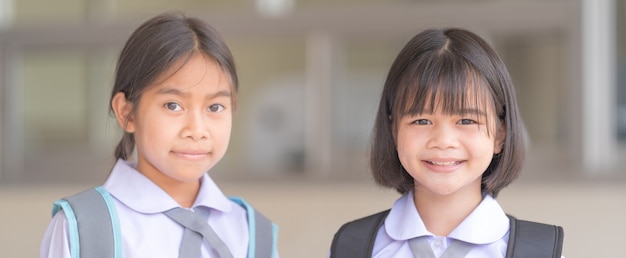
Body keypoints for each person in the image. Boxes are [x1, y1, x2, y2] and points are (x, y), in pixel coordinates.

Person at [40, 12, 278, 258]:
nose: (196, 130)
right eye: (173, 105)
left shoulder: (252, 232)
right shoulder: (84, 227)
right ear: (127, 113)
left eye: (215, 107)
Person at [329, 28, 563, 257]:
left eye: (466, 120)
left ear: (500, 134)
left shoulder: (540, 252)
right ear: (393, 130)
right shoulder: (353, 248)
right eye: (421, 120)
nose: (443, 141)